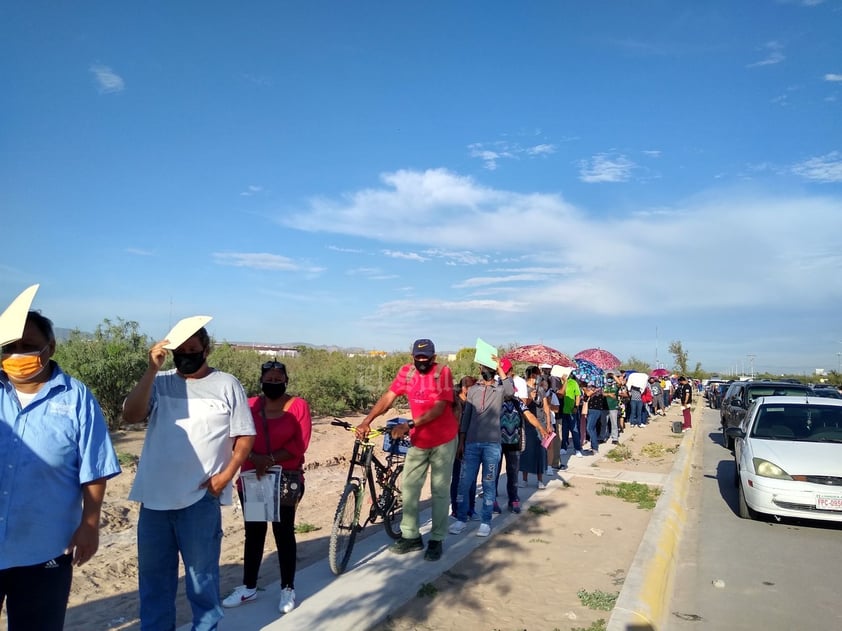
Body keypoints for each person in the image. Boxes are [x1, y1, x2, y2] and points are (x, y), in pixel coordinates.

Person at [123, 323, 255, 631]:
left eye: (193, 351)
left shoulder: (226, 384)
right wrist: (151, 371)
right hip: (154, 503)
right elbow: (131, 415)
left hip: (199, 502)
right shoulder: (160, 382)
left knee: (202, 584)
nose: (186, 357)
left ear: (206, 350)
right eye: (180, 353)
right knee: (154, 585)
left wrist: (225, 477)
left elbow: (245, 437)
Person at [0, 310, 122, 631]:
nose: (17, 355)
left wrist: (90, 524)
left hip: (45, 551)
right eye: (9, 347)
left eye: (28, 345)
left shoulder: (77, 398)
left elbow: (94, 467)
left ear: (50, 347)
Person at [356, 339, 458, 563]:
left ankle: (437, 539)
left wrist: (409, 425)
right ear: (412, 356)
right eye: (418, 356)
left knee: (439, 490)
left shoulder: (443, 373)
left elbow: (440, 408)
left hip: (443, 439)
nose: (422, 360)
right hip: (419, 440)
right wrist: (367, 420)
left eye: (426, 357)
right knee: (410, 488)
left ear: (433, 356)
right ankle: (411, 536)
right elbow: (388, 398)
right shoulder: (406, 372)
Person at [223, 360, 312, 614]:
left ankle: (287, 589)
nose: (273, 384)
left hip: (284, 478)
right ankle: (248, 587)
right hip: (254, 478)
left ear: (286, 381)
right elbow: (235, 436)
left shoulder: (298, 406)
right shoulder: (249, 405)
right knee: (254, 532)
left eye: (278, 380)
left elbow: (300, 444)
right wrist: (254, 460)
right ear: (261, 381)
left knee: (283, 533)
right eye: (269, 380)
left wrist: (269, 460)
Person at [449, 358, 513, 537]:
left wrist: (500, 368)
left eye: (488, 367)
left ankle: (486, 521)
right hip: (471, 444)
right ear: (479, 369)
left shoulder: (499, 390)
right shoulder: (473, 391)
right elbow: (466, 417)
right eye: (483, 367)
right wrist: (461, 441)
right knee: (465, 482)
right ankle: (461, 518)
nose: (485, 370)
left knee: (489, 483)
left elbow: (510, 390)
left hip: (492, 444)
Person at [450, 376, 478, 520]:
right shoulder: (455, 403)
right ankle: (456, 508)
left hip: (472, 442)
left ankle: (470, 508)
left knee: (472, 478)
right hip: (457, 444)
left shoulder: (472, 402)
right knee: (457, 477)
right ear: (464, 388)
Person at [518, 367, 551, 488]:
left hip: (540, 423)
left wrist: (548, 424)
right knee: (526, 451)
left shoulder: (541, 389)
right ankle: (524, 479)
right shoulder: (523, 389)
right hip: (527, 424)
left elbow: (546, 406)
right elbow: (522, 406)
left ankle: (540, 479)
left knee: (540, 451)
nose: (539, 377)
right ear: (532, 375)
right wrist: (530, 397)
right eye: (537, 374)